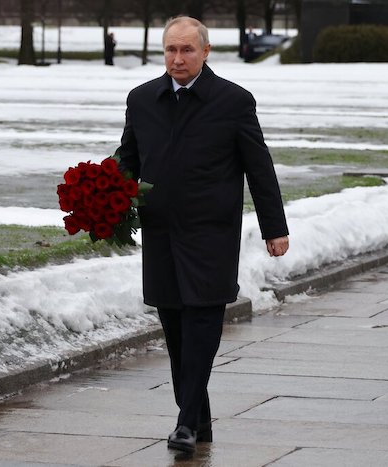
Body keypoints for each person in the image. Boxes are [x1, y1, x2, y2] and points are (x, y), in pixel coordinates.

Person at [114, 16, 289, 454]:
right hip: (160, 235)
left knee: (202, 330)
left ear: (206, 51)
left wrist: (275, 227)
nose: (178, 58)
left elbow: (259, 168)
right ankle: (199, 419)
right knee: (175, 332)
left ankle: (184, 424)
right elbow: (128, 160)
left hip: (211, 235)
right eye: (171, 49)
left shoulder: (233, 101)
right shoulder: (141, 99)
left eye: (187, 50)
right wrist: (103, 201)